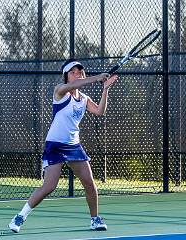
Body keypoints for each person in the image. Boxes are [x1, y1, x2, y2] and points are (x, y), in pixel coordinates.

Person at [8, 59, 118, 233]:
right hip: (55, 145)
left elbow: (99, 111)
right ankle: (20, 217)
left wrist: (105, 90)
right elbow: (79, 83)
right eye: (73, 72)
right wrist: (97, 77)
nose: (77, 74)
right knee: (49, 186)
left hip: (74, 146)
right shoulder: (60, 91)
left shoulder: (84, 98)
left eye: (79, 72)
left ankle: (95, 220)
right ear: (66, 76)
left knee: (89, 183)